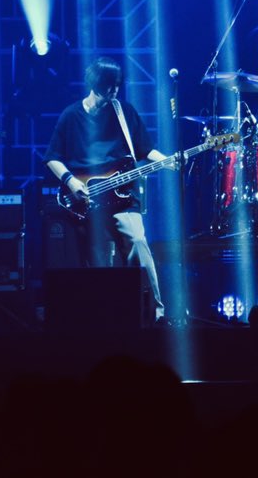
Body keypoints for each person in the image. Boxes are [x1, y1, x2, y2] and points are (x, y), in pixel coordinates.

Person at [44, 57, 175, 324]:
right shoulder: (71, 115)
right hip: (84, 201)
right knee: (97, 262)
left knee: (137, 242)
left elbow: (145, 149)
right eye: (109, 85)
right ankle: (105, 320)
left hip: (122, 198)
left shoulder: (124, 112)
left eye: (117, 85)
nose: (114, 90)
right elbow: (52, 158)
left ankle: (155, 314)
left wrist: (167, 161)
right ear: (95, 84)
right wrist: (71, 181)